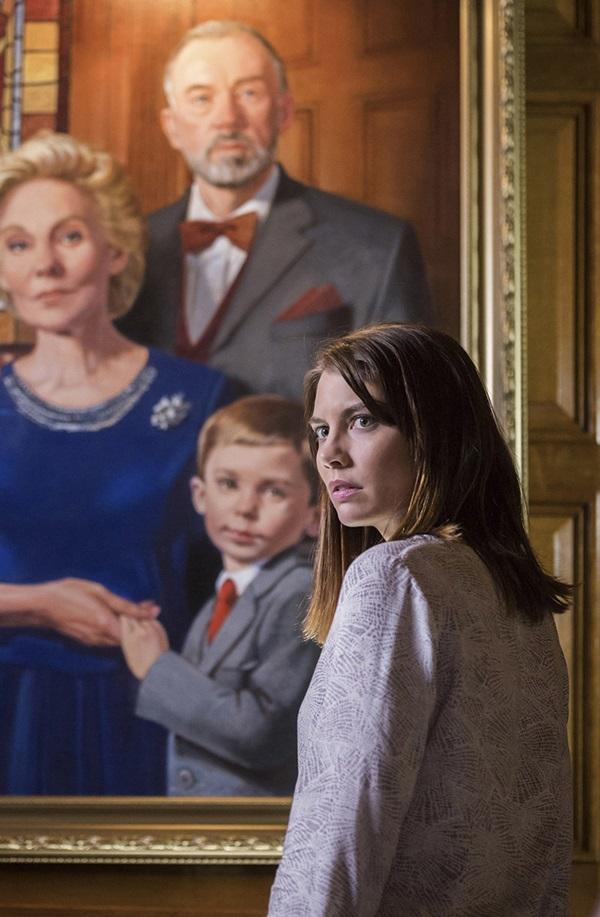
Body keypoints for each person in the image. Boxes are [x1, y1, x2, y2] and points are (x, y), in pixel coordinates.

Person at [268, 323, 573, 916]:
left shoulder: (396, 576)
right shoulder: (514, 592)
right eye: (320, 430)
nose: (330, 453)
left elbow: (341, 834)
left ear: (435, 431)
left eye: (362, 421)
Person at [0, 130, 232, 795]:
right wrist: (39, 605)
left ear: (116, 251)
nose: (44, 265)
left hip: (147, 713)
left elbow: (252, 583)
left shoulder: (200, 398)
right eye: (18, 244)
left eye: (69, 237)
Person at [117, 20, 432, 400]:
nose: (227, 118)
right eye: (201, 98)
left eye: (249, 93)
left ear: (284, 112)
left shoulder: (378, 247)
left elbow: (405, 413)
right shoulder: (127, 248)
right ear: (171, 126)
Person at [119, 394, 321, 796]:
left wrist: (157, 668)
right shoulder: (227, 592)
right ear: (200, 495)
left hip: (256, 823)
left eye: (274, 492)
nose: (245, 508)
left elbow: (261, 734)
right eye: (228, 484)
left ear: (315, 516)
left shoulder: (297, 594)